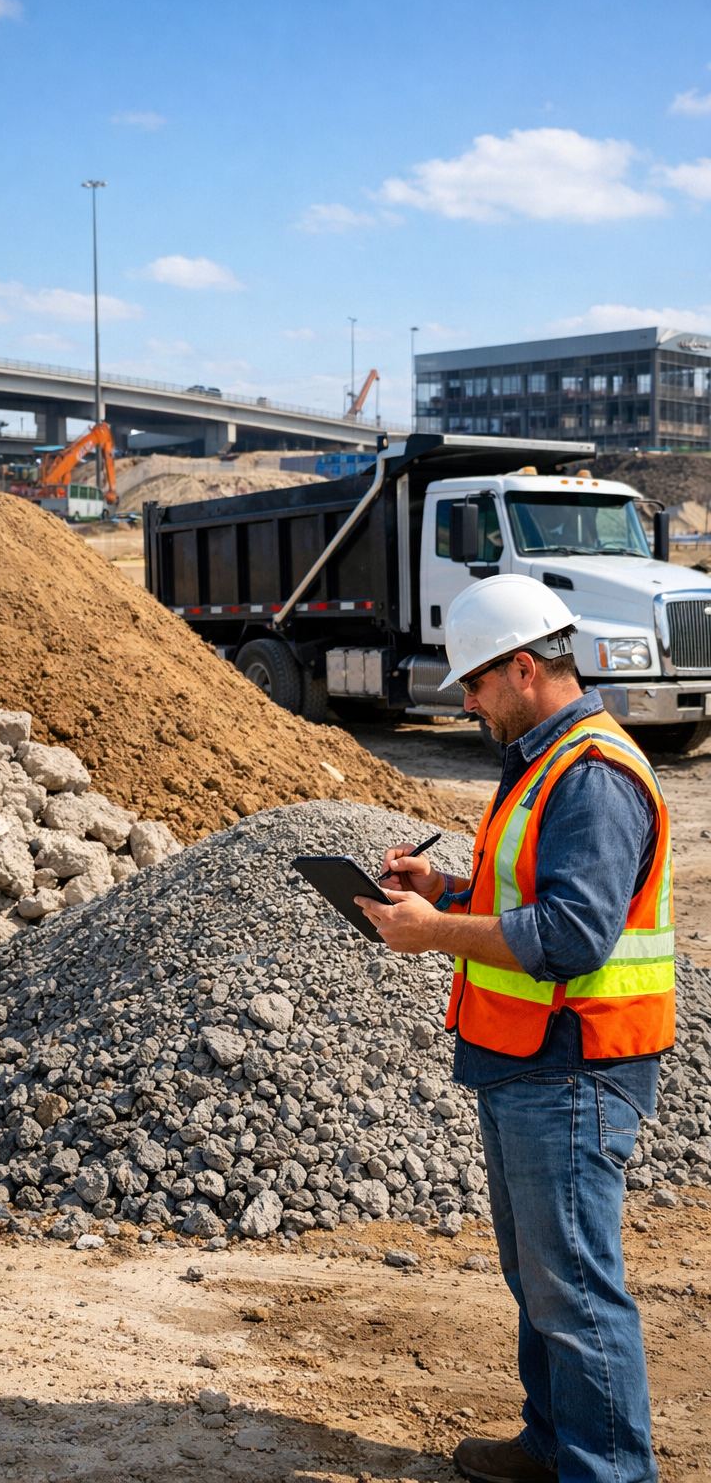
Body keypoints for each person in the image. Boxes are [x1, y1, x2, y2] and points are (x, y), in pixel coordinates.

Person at [356, 574, 673, 1483]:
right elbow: (524, 903)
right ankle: (552, 1445)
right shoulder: (544, 762)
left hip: (573, 1066)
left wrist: (434, 936)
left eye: (474, 683)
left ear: (524, 668)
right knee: (541, 1283)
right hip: (522, 1059)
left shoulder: (594, 777)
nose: (465, 701)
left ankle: (608, 1472)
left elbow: (573, 936)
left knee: (574, 1291)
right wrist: (442, 894)